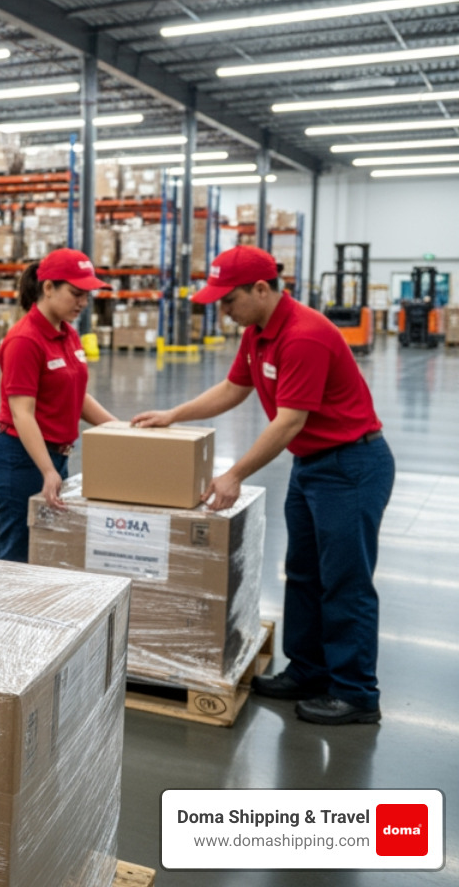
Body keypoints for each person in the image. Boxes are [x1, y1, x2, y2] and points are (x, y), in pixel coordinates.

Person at [133, 245, 391, 726]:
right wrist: (174, 414)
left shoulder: (304, 335)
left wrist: (234, 475)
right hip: (312, 465)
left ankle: (356, 693)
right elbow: (235, 388)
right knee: (304, 572)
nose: (223, 311)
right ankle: (310, 670)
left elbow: (289, 421)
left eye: (228, 301)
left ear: (261, 288)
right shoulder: (258, 333)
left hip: (350, 466)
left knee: (345, 581)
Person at [0, 249, 121, 562]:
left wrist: (120, 428)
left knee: (48, 552)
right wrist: (47, 470)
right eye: (76, 294)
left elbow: (77, 395)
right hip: (19, 459)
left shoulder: (67, 334)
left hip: (54, 457)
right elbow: (22, 413)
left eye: (87, 295)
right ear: (48, 288)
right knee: (20, 553)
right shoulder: (24, 340)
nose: (83, 303)